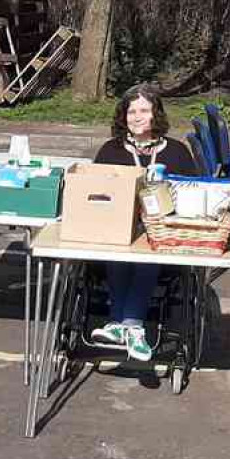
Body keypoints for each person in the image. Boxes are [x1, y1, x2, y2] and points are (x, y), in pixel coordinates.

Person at [90, 83, 197, 361]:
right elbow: (95, 193)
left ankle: (125, 325)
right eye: (131, 111)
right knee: (118, 252)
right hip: (117, 230)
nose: (137, 117)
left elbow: (193, 191)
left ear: (156, 115)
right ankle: (131, 329)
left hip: (162, 232)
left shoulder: (176, 152)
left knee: (149, 253)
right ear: (123, 116)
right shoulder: (110, 151)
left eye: (144, 110)